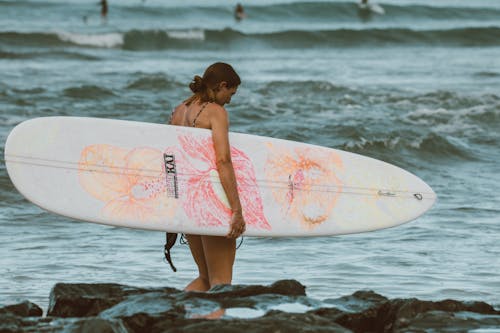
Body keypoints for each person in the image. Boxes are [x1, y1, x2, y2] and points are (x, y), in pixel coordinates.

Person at [168, 63, 246, 292]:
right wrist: (237, 210)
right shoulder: (216, 112)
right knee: (221, 283)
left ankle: (178, 320)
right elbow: (222, 161)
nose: (230, 100)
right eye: (230, 93)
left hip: (188, 201)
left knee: (204, 278)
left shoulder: (179, 109)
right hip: (212, 202)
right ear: (222, 85)